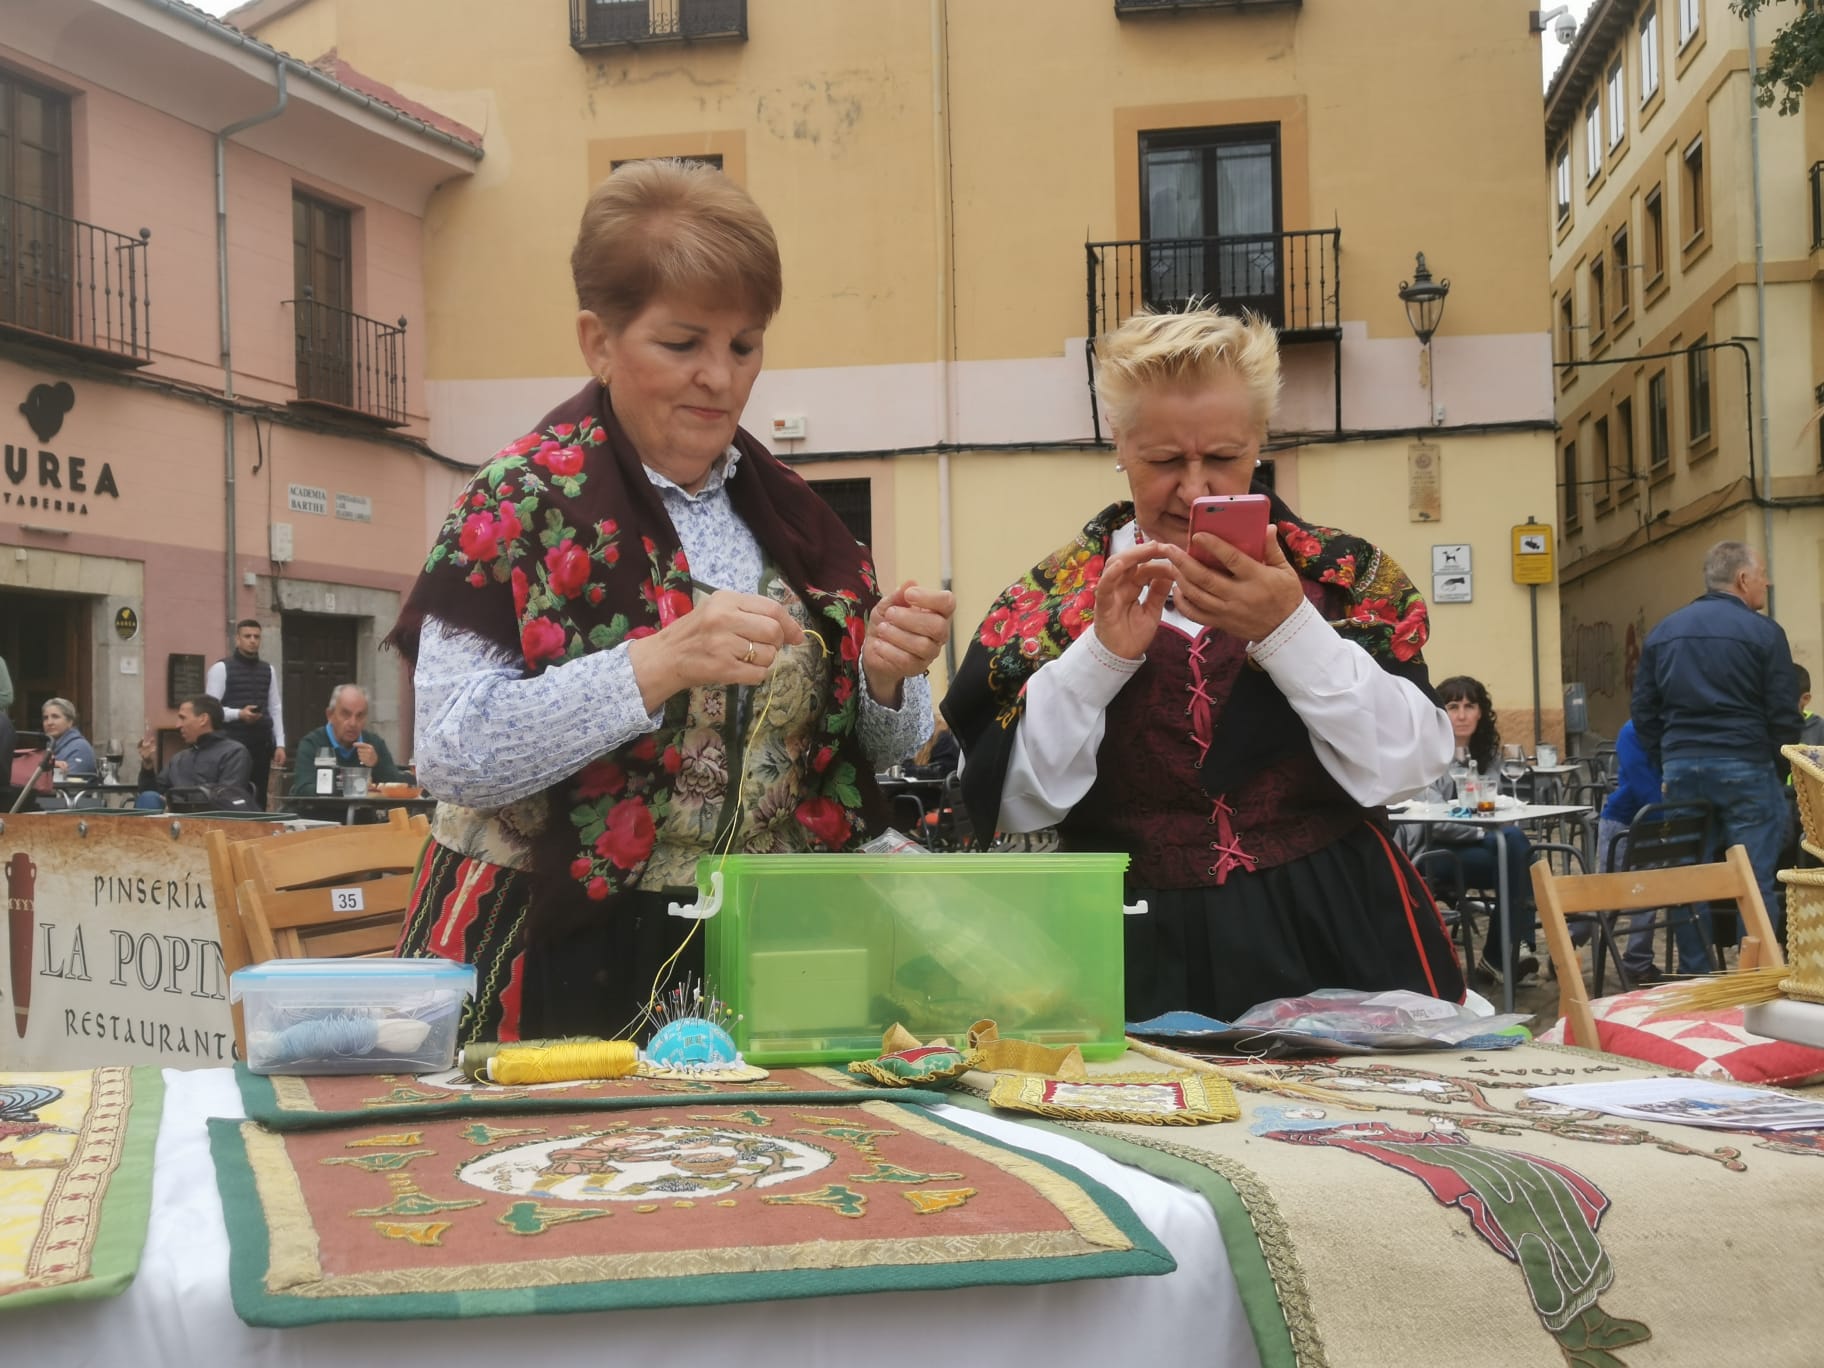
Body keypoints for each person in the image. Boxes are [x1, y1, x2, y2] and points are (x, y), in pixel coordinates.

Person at [388, 159, 953, 1045]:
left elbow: (878, 752)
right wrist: (654, 665)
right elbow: (452, 755)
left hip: (759, 963)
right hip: (548, 955)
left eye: (743, 345)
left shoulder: (798, 519)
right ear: (598, 341)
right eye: (682, 344)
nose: (719, 379)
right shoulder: (514, 505)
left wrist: (886, 679)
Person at [943, 306, 1463, 1023]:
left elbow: (1411, 761)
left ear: (1259, 443)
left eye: (1222, 457)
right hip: (1131, 946)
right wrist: (1101, 658)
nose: (1194, 490)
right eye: (1162, 462)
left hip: (1337, 932)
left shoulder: (1342, 578)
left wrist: (1289, 632)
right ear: (1119, 445)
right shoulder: (1050, 601)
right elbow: (1012, 803)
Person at [1631, 540, 1801, 940]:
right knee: (1753, 880)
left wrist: (1667, 758)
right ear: (1743, 579)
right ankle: (1754, 978)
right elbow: (1783, 713)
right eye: (1762, 576)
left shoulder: (1663, 632)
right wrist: (1775, 767)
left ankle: (1698, 975)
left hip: (1682, 765)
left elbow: (1642, 711)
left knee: (1692, 878)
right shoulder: (1765, 633)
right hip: (1746, 765)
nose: (1767, 583)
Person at [1397, 676, 1539, 986]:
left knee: (1515, 852)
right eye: (1452, 707)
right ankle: (1512, 949)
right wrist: (1484, 831)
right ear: (1440, 713)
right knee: (1517, 851)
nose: (1461, 715)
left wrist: (1490, 826)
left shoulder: (1489, 759)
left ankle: (1499, 957)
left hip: (1482, 851)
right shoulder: (1426, 757)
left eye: (1469, 706)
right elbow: (1439, 821)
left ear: (1480, 713)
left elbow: (1502, 806)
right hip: (1434, 854)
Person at [1599, 719, 1706, 981]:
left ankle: (1637, 961)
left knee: (1647, 894)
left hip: (1657, 821)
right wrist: (1670, 813)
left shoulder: (1675, 728)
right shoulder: (1632, 731)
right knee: (1605, 895)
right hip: (1624, 821)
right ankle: (1566, 943)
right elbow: (1641, 782)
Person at [206, 619, 284, 807]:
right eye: (247, 636)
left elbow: (275, 707)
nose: (252, 640)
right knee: (233, 795)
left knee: (259, 797)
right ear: (237, 639)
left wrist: (280, 744)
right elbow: (210, 710)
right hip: (230, 746)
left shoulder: (268, 670)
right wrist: (238, 714)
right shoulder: (221, 668)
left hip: (261, 746)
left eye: (256, 637)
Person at [135, 695, 257, 811]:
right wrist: (148, 765)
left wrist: (176, 801)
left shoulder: (234, 753)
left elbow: (227, 799)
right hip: (172, 824)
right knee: (148, 798)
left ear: (203, 719)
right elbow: (151, 797)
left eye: (183, 718)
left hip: (213, 826)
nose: (178, 725)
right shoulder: (179, 758)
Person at [287, 684, 410, 794]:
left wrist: (377, 764)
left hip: (362, 817)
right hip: (321, 817)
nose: (352, 723)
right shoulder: (312, 743)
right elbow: (302, 789)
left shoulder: (374, 744)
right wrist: (349, 786)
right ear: (330, 715)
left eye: (360, 716)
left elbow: (397, 788)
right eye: (346, 714)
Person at [37, 697, 100, 810]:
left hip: (71, 808)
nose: (49, 722)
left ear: (70, 722)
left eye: (55, 717)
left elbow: (71, 787)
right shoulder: (49, 746)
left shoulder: (80, 747)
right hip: (50, 803)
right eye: (45, 718)